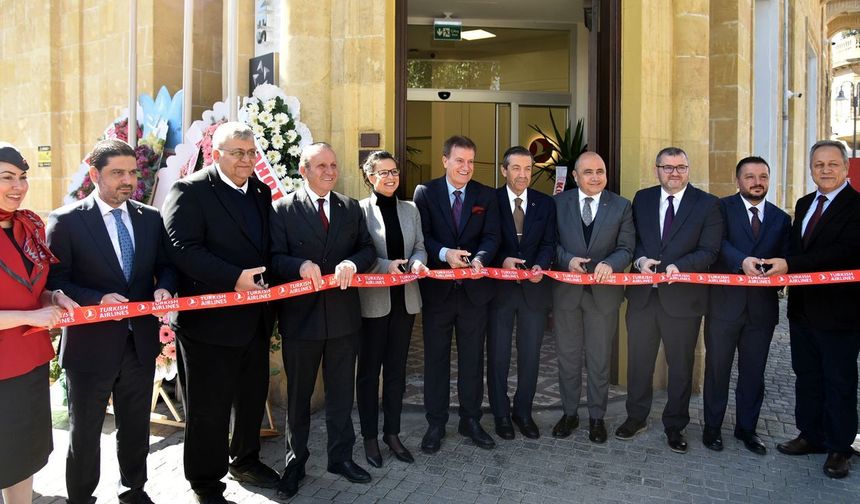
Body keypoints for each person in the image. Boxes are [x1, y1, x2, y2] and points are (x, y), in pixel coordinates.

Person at [46, 139, 175, 504]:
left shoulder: (150, 218)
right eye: (117, 173)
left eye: (132, 172)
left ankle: (133, 490)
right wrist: (96, 299)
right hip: (90, 348)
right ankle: (82, 497)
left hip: (140, 344)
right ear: (94, 175)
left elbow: (165, 266)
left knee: (135, 428)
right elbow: (55, 282)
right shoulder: (66, 221)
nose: (127, 180)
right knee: (85, 433)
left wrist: (164, 288)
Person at [161, 122, 278, 504]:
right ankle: (205, 483)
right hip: (208, 325)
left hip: (255, 320)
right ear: (216, 154)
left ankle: (245, 460)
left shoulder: (260, 191)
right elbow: (181, 248)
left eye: (251, 152)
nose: (247, 160)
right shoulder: (190, 191)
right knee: (208, 410)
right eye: (237, 153)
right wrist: (233, 279)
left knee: (250, 397)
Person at [270, 142, 376, 498]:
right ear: (303, 170)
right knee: (298, 398)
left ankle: (340, 457)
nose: (330, 171)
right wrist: (297, 266)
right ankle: (294, 462)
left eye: (333, 164)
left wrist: (353, 263)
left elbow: (368, 249)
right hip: (302, 321)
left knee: (342, 394)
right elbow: (273, 258)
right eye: (321, 166)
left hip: (344, 320)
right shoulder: (283, 210)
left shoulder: (349, 207)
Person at [763, 140, 860, 478]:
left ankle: (839, 447)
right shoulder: (805, 203)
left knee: (840, 382)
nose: (825, 170)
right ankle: (810, 435)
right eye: (819, 164)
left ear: (846, 168)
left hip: (839, 313)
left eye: (832, 164)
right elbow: (794, 244)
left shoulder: (856, 206)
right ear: (811, 168)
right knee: (807, 377)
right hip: (802, 309)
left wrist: (789, 264)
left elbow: (843, 252)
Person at [616, 146, 722, 453]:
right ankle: (636, 417)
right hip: (643, 297)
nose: (674, 173)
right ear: (657, 169)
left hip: (683, 299)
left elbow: (710, 250)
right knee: (638, 362)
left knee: (680, 366)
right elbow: (631, 240)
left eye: (680, 167)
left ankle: (675, 425)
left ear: (688, 169)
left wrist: (682, 266)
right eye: (667, 167)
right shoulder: (642, 198)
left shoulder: (707, 204)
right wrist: (639, 261)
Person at [412, 135, 500, 453]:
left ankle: (470, 420)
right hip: (439, 293)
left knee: (472, 360)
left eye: (471, 161)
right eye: (459, 160)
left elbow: (492, 236)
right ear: (445, 160)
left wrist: (480, 259)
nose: (466, 167)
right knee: (435, 361)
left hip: (475, 294)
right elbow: (423, 236)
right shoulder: (425, 192)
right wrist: (446, 252)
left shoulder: (485, 195)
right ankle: (436, 424)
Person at [0, 143, 76, 504]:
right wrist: (33, 317)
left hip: (29, 360)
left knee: (23, 455)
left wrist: (52, 298)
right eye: (7, 178)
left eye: (22, 177)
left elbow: (35, 289)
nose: (18, 186)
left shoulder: (28, 225)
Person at [702, 156, 789, 455]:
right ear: (737, 180)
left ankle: (747, 430)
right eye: (750, 176)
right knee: (717, 370)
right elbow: (716, 244)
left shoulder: (781, 218)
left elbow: (785, 258)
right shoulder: (721, 208)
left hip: (761, 312)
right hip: (724, 307)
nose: (757, 182)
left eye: (763, 176)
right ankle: (712, 428)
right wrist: (742, 261)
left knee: (754, 373)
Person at [551, 152, 634, 443]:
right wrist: (567, 259)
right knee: (568, 358)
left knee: (599, 360)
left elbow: (627, 247)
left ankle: (596, 418)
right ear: (575, 176)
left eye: (601, 171)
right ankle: (570, 414)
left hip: (604, 296)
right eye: (588, 172)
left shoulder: (621, 206)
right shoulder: (558, 204)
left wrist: (611, 263)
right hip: (567, 294)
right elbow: (551, 244)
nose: (596, 177)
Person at [356, 151, 428, 467]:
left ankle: (392, 433)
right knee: (370, 373)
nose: (390, 177)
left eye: (394, 171)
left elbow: (421, 247)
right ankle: (370, 438)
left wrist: (417, 262)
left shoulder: (411, 209)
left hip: (406, 300)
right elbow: (359, 252)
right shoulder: (358, 211)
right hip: (374, 302)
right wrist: (386, 266)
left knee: (397, 371)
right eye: (383, 172)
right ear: (369, 176)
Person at [486, 146, 555, 440]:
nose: (523, 175)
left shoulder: (545, 203)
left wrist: (541, 264)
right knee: (498, 355)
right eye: (516, 168)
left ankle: (523, 412)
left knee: (530, 355)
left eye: (528, 169)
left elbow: (550, 242)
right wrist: (502, 259)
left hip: (534, 291)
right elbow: (485, 239)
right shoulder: (490, 201)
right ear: (504, 170)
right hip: (499, 291)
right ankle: (501, 414)